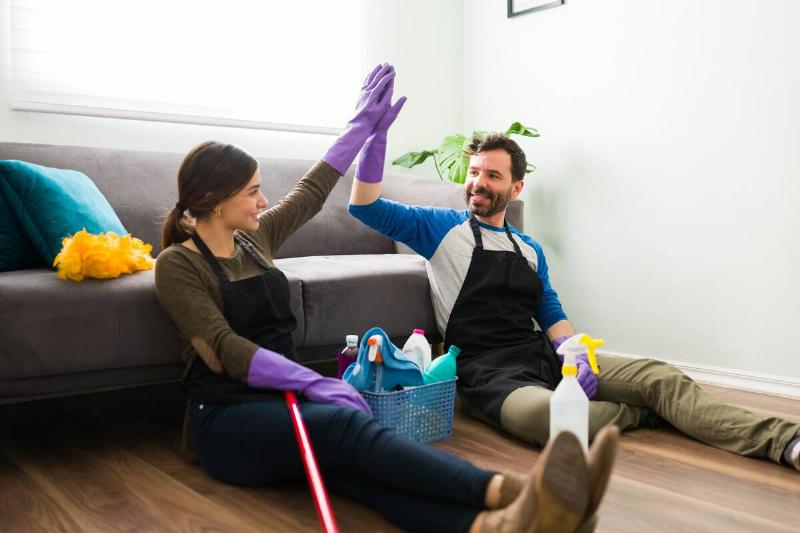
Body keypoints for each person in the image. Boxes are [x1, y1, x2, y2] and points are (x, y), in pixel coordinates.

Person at [154, 64, 619, 533]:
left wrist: (365, 130)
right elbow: (222, 350)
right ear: (216, 199)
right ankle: (517, 493)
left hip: (284, 401)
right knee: (347, 431)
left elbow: (313, 190)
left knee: (363, 468)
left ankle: (492, 526)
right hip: (228, 421)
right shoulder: (177, 264)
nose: (262, 201)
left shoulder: (256, 240)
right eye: (253, 192)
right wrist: (316, 383)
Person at [348, 126, 800, 472]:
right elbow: (364, 206)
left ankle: (786, 441)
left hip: (543, 356)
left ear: (516, 187)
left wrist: (576, 352)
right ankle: (643, 413)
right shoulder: (439, 228)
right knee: (552, 422)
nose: (477, 183)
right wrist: (376, 138)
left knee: (662, 376)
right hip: (487, 371)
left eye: (492, 175)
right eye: (473, 173)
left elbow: (550, 313)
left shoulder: (529, 249)